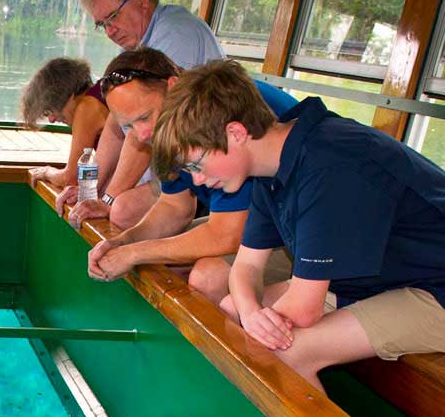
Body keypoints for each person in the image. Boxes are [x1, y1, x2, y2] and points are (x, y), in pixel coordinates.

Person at [152, 60, 445, 391]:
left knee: (284, 352)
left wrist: (255, 322)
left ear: (235, 133)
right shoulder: (272, 168)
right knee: (231, 311)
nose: (197, 178)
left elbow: (303, 309)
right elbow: (246, 268)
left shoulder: (327, 165)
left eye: (197, 164)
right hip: (387, 277)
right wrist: (251, 311)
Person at [86, 49, 298, 306]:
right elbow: (175, 206)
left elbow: (226, 234)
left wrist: (135, 253)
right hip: (261, 222)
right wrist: (123, 241)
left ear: (172, 85)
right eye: (129, 126)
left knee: (208, 277)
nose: (141, 134)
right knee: (164, 265)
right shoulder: (169, 121)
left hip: (299, 233)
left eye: (144, 117)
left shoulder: (216, 109)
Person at [60, 0, 227, 228]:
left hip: (206, 174)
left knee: (122, 211)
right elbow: (118, 125)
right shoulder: (136, 49)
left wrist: (108, 199)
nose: (109, 31)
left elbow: (146, 131)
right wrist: (90, 192)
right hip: (172, 169)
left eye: (113, 17)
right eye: (102, 24)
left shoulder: (176, 33)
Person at [21, 58, 155, 228]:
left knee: (121, 210)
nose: (53, 119)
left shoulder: (87, 107)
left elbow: (71, 177)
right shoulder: (99, 97)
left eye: (50, 110)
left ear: (67, 95)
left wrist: (47, 172)